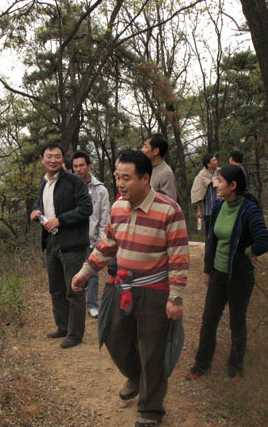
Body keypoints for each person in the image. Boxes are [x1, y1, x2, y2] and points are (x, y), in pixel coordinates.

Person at [71, 150, 189, 427]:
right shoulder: (118, 207)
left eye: (126, 178)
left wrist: (175, 296)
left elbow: (179, 257)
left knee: (152, 350)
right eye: (117, 177)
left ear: (145, 178)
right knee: (114, 338)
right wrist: (85, 272)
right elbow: (106, 246)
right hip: (122, 287)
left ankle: (150, 410)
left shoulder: (169, 210)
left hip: (154, 290)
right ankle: (136, 377)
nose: (120, 184)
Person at [185, 165, 268, 383]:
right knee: (208, 321)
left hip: (240, 276)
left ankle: (235, 367)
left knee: (237, 322)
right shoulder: (219, 206)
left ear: (233, 185)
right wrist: (207, 270)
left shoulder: (249, 209)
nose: (216, 185)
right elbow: (211, 241)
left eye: (220, 181)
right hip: (218, 274)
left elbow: (263, 241)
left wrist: (248, 252)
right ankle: (201, 364)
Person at [30, 142, 93, 349]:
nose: (53, 160)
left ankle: (75, 334)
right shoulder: (43, 183)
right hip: (50, 241)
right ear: (42, 159)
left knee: (74, 289)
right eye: (49, 157)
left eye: (57, 156)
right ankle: (63, 326)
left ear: (62, 159)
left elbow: (86, 208)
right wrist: (36, 211)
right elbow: (41, 204)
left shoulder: (74, 181)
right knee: (56, 288)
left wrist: (60, 220)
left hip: (72, 243)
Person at [72, 150, 110, 318]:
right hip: (74, 239)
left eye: (81, 165)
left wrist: (101, 241)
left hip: (92, 239)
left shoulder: (100, 190)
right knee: (75, 273)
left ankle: (92, 304)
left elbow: (104, 218)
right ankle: (76, 304)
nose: (78, 169)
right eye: (75, 166)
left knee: (92, 273)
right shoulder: (69, 187)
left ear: (89, 166)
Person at [141, 133, 178, 201]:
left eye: (145, 147)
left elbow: (170, 202)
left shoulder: (166, 173)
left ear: (156, 151)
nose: (142, 150)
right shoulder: (144, 168)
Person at [190, 154, 219, 238]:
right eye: (214, 160)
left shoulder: (220, 173)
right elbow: (198, 193)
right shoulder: (201, 176)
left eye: (216, 159)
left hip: (220, 209)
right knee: (209, 234)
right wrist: (199, 210)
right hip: (208, 210)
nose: (216, 161)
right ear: (208, 164)